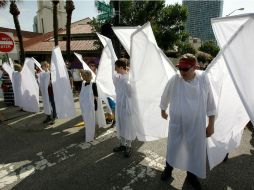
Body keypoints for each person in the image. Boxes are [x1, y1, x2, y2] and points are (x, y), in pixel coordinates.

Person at [160, 53, 216, 190]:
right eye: (180, 68)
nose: (181, 72)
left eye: (185, 69)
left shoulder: (203, 79)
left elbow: (210, 103)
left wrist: (211, 124)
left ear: (194, 67)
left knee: (194, 151)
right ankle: (168, 169)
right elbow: (165, 95)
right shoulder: (175, 79)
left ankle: (191, 175)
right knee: (173, 147)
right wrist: (163, 110)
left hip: (196, 126)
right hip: (177, 124)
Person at [112, 58, 134, 158]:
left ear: (121, 67)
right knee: (121, 125)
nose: (115, 69)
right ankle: (122, 144)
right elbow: (115, 78)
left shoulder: (128, 79)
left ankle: (128, 146)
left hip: (126, 106)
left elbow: (131, 94)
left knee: (127, 126)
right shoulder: (120, 77)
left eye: (116, 67)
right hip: (120, 105)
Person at [79, 70, 105, 142]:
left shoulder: (93, 84)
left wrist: (91, 103)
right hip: (85, 106)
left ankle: (94, 133)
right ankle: (88, 132)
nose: (82, 76)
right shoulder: (83, 83)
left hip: (92, 106)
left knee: (94, 120)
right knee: (87, 120)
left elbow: (96, 96)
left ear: (88, 76)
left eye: (83, 75)